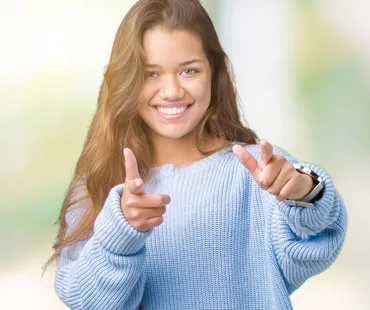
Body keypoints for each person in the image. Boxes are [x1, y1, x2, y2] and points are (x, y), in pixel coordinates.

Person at [46, 0, 347, 309]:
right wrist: (120, 233)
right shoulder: (98, 188)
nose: (172, 90)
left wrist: (305, 193)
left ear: (214, 73)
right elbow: (86, 301)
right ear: (126, 81)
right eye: (151, 74)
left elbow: (316, 245)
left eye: (189, 70)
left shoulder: (258, 172)